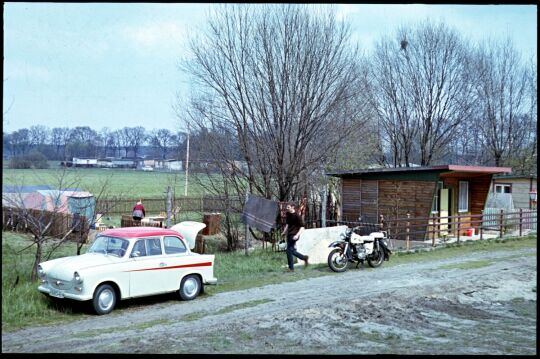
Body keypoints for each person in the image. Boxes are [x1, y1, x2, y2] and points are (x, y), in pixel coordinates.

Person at [281, 202, 309, 272]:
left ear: (293, 207)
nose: (287, 208)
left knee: (288, 251)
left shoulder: (297, 216)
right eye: (287, 207)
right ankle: (304, 258)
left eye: (288, 207)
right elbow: (287, 224)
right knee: (291, 250)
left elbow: (302, 227)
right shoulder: (288, 214)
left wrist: (297, 235)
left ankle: (291, 268)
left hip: (294, 235)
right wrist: (284, 232)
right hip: (289, 234)